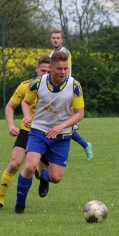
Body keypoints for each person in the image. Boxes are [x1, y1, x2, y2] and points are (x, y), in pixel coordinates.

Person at [14, 51, 84, 214]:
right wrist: (26, 116)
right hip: (38, 131)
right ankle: (19, 207)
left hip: (61, 136)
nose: (63, 72)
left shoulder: (74, 86)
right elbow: (25, 102)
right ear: (51, 68)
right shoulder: (38, 83)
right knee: (30, 166)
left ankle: (44, 176)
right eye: (59, 69)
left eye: (66, 69)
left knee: (56, 178)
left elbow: (79, 114)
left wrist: (61, 126)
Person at [0, 56, 51, 211]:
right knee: (14, 164)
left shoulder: (57, 88)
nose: (45, 74)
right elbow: (10, 107)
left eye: (48, 71)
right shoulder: (26, 86)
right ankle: (0, 201)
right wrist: (11, 125)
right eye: (42, 70)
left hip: (47, 133)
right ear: (36, 69)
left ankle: (43, 177)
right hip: (27, 131)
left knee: (45, 171)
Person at [50, 29, 93, 161]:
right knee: (57, 121)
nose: (55, 40)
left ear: (62, 40)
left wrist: (64, 90)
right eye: (53, 38)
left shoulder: (65, 53)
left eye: (58, 38)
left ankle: (84, 145)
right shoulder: (52, 54)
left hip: (64, 91)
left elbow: (65, 72)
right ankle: (85, 145)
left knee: (62, 122)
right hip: (54, 91)